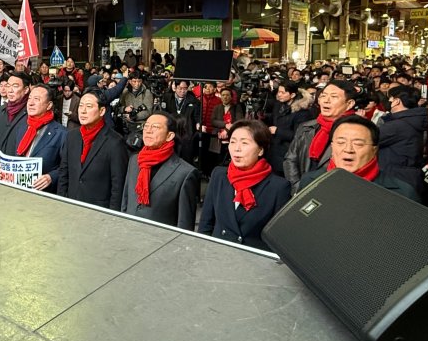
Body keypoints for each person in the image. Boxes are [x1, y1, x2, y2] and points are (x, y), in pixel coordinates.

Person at [198, 119, 291, 251]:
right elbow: (205, 223)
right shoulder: (219, 176)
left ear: (260, 150)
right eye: (233, 142)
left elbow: (279, 239)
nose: (237, 149)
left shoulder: (278, 187)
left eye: (245, 143)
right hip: (216, 254)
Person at [299, 114, 420, 200]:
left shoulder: (402, 193)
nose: (348, 149)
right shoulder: (310, 182)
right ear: (332, 146)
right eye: (341, 142)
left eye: (358, 144)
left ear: (374, 150)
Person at [121, 111, 199, 230]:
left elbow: (185, 223)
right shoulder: (134, 160)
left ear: (169, 136)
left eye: (155, 127)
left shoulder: (185, 173)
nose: (148, 130)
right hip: (129, 233)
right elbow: (126, 201)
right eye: (146, 126)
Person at [58, 88, 129, 210]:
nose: (83, 111)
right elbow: (64, 173)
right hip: (70, 205)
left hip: (98, 211)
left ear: (102, 111)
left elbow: (117, 186)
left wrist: (112, 217)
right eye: (81, 106)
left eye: (89, 106)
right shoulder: (72, 136)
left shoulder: (115, 142)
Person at [284, 79, 357, 193]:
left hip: (334, 193)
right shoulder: (306, 127)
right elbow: (290, 159)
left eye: (334, 97)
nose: (326, 101)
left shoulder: (358, 132)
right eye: (323, 96)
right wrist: (298, 187)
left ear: (349, 104)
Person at [8, 85, 66, 193]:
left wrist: (51, 177)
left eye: (37, 99)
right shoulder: (21, 127)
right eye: (29, 98)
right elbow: (13, 157)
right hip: (18, 191)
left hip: (44, 194)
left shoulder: (61, 133)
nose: (30, 103)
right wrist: (3, 169)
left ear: (49, 105)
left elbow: (67, 168)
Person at [376, 85, 428, 192]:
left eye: (390, 98)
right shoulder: (412, 120)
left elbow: (368, 138)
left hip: (394, 178)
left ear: (396, 101)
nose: (388, 101)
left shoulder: (397, 125)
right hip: (406, 176)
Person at [0, 71, 31, 176]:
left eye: (15, 86)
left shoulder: (30, 113)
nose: (10, 90)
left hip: (18, 172)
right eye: (8, 86)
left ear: (26, 90)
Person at [265, 82, 311, 177]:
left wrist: (278, 131)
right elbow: (274, 119)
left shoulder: (302, 112)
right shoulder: (278, 105)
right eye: (278, 92)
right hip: (273, 150)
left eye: (283, 92)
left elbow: (299, 136)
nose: (279, 95)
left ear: (292, 95)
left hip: (288, 153)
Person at [159, 79, 200, 165]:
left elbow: (197, 116)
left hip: (186, 132)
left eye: (185, 88)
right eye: (180, 88)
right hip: (171, 130)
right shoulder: (167, 97)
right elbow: (163, 113)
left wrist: (198, 123)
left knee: (186, 157)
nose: (182, 91)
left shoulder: (193, 101)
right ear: (175, 87)